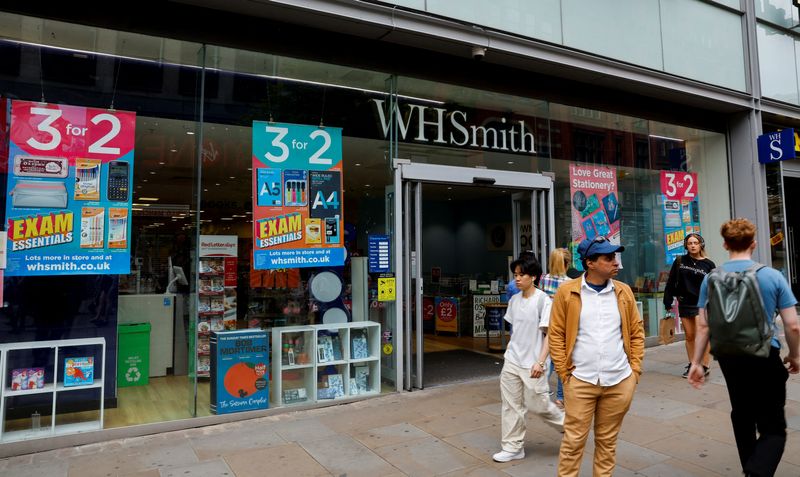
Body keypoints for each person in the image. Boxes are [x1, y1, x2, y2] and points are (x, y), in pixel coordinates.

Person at [688, 218, 800, 477]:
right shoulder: (771, 275)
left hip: (729, 356)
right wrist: (794, 356)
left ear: (725, 244)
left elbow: (703, 326)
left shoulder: (711, 278)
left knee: (742, 413)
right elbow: (793, 325)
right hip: (765, 354)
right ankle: (756, 472)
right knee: (772, 427)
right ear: (754, 243)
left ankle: (750, 466)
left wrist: (696, 363)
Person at [549, 235, 645, 477]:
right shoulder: (567, 292)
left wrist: (634, 373)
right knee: (573, 444)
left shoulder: (623, 292)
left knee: (607, 444)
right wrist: (564, 374)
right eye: (608, 258)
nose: (616, 263)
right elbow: (556, 335)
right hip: (580, 380)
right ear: (590, 263)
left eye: (615, 257)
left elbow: (636, 333)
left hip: (619, 381)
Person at [492, 254, 565, 463]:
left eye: (521, 275)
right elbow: (516, 330)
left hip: (534, 363)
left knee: (539, 405)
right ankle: (513, 447)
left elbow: (550, 334)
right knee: (510, 405)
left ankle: (569, 427)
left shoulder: (543, 300)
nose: (517, 279)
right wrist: (509, 353)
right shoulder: (514, 300)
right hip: (513, 360)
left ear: (533, 277)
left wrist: (541, 362)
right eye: (515, 274)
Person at [663, 232, 716, 378]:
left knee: (702, 335)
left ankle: (704, 366)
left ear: (701, 245)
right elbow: (671, 281)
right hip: (685, 303)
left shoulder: (708, 264)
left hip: (702, 304)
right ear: (686, 245)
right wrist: (667, 300)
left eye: (695, 243)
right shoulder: (680, 261)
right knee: (690, 336)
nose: (692, 246)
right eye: (690, 243)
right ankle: (693, 364)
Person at [540, 247, 573, 409]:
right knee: (561, 361)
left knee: (547, 360)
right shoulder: (569, 283)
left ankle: (539, 391)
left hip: (546, 325)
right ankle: (560, 397)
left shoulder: (543, 279)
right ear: (567, 264)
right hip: (562, 326)